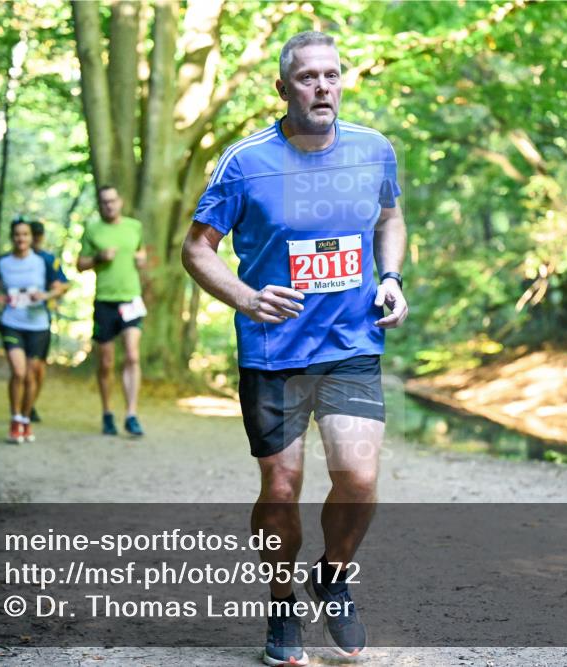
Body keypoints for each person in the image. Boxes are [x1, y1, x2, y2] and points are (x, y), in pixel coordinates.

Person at [182, 31, 408, 666]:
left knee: (358, 478)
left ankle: (332, 576)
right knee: (281, 487)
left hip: (351, 343)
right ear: (282, 88)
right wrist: (246, 298)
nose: (322, 86)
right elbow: (196, 248)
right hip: (272, 350)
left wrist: (390, 279)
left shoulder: (373, 150)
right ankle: (282, 604)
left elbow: (390, 217)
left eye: (332, 75)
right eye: (308, 77)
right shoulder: (244, 162)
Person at [0, 218, 66, 444]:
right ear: (12, 237)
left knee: (31, 375)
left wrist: (46, 296)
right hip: (12, 322)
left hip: (38, 325)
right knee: (19, 372)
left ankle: (26, 418)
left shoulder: (43, 262)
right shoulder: (2, 262)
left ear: (31, 238)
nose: (21, 239)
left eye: (25, 235)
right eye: (17, 235)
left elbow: (62, 286)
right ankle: (15, 418)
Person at [76, 186, 147, 437]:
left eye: (113, 201)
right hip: (105, 301)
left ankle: (131, 414)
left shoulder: (134, 227)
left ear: (121, 201)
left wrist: (141, 259)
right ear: (100, 205)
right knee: (106, 362)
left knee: (132, 356)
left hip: (130, 300)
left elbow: (141, 252)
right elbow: (80, 264)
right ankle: (107, 413)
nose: (109, 205)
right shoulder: (93, 229)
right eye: (104, 202)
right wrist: (98, 257)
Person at [28, 219, 70, 423]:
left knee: (37, 367)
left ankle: (31, 404)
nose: (35, 240)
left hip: (42, 318)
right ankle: (22, 407)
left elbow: (64, 285)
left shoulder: (48, 259)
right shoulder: (15, 259)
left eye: (38, 236)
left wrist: (50, 293)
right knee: (23, 368)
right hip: (18, 320)